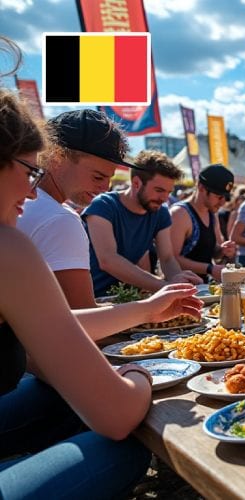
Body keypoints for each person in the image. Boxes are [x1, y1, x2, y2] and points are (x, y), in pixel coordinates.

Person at [0, 85, 202, 499]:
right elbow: (115, 415)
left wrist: (146, 309)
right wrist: (141, 373)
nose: (31, 190)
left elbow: (50, 323)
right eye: (29, 171)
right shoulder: (14, 242)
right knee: (129, 444)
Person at [17, 109, 136, 308]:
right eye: (98, 177)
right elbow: (82, 315)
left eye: (109, 178)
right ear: (57, 157)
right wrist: (148, 308)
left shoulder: (20, 203)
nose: (105, 187)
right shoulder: (61, 220)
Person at [84, 150, 202, 297]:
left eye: (168, 192)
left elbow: (167, 258)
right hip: (97, 298)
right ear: (136, 183)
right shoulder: (103, 205)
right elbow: (108, 260)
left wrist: (180, 284)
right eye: (159, 190)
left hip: (132, 296)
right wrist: (164, 286)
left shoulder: (160, 212)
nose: (164, 198)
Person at [169, 164, 237, 283]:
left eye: (225, 198)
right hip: (181, 287)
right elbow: (171, 259)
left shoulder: (212, 213)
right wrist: (209, 268)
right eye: (218, 196)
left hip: (203, 286)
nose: (222, 203)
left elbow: (213, 252)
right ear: (201, 187)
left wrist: (223, 251)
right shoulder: (179, 214)